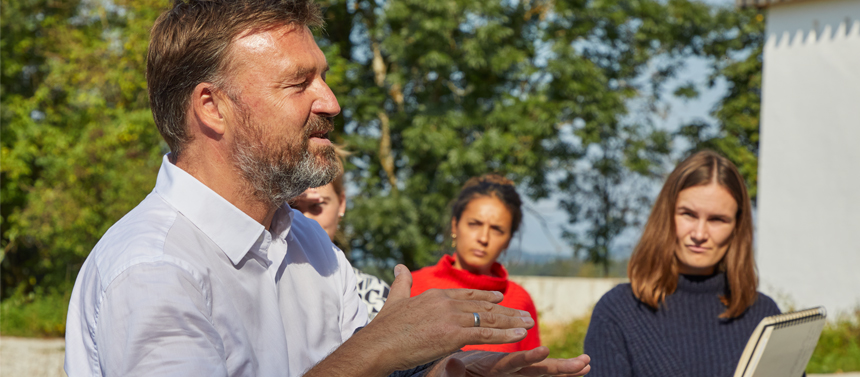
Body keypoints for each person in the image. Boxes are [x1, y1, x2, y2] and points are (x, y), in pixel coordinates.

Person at [63, 1, 591, 376]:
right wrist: (377, 349)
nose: (331, 102)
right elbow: (363, 364)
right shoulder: (153, 270)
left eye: (324, 77)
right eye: (299, 83)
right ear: (211, 108)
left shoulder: (307, 244)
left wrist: (452, 376)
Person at [582, 150, 781, 377]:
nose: (699, 233)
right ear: (666, 215)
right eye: (688, 214)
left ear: (737, 226)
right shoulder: (618, 312)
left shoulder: (765, 316)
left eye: (717, 219)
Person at [410, 174, 541, 352]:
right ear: (455, 225)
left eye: (497, 229)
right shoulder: (413, 287)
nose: (483, 238)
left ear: (508, 240)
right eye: (474, 224)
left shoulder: (520, 301)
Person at [290, 146, 389, 320]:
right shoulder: (268, 284)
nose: (304, 220)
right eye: (294, 207)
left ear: (341, 203)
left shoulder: (372, 293)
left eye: (317, 206)